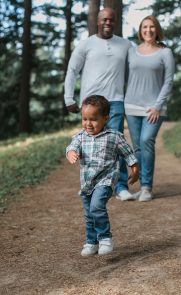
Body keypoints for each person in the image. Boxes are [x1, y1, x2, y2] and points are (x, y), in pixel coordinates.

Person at [64, 8, 134, 200]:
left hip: (116, 102)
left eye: (111, 20)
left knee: (116, 144)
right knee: (89, 146)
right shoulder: (86, 44)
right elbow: (72, 70)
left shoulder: (126, 45)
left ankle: (120, 187)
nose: (107, 23)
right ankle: (93, 184)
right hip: (90, 104)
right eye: (104, 19)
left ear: (116, 22)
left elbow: (135, 69)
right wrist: (69, 98)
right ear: (97, 21)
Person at [66, 95, 139, 256]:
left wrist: (135, 169)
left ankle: (105, 238)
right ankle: (91, 242)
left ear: (105, 118)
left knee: (97, 207)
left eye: (93, 119)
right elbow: (72, 147)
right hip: (87, 183)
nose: (88, 124)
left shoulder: (113, 136)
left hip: (105, 180)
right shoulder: (80, 137)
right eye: (84, 119)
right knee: (88, 214)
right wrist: (71, 152)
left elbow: (128, 154)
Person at [123, 15, 175, 202]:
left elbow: (168, 82)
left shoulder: (165, 53)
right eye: (145, 27)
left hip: (154, 108)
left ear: (157, 30)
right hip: (131, 106)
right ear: (140, 30)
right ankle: (142, 186)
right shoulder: (132, 51)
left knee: (146, 140)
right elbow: (127, 76)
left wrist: (157, 106)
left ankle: (147, 188)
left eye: (152, 27)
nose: (148, 30)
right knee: (137, 146)